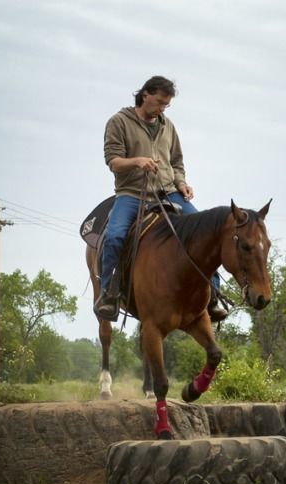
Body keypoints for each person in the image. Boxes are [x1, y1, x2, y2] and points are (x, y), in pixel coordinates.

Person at [95, 75, 227, 322]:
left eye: (166, 105)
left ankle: (214, 295)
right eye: (159, 102)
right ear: (145, 95)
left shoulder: (168, 126)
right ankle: (108, 294)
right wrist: (137, 161)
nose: (162, 109)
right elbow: (113, 161)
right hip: (132, 194)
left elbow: (176, 163)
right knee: (114, 236)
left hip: (170, 192)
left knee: (206, 232)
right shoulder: (119, 122)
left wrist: (182, 184)